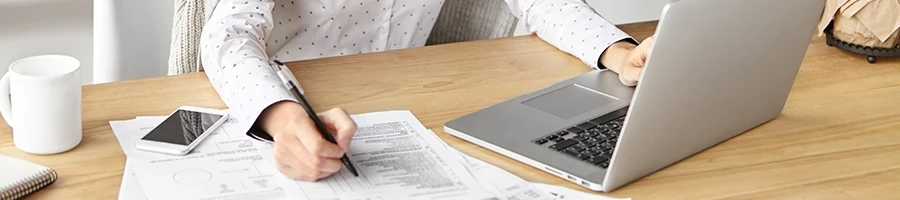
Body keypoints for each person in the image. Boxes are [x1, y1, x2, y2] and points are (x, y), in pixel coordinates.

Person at [199, 0, 655, 181]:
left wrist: (616, 51)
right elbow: (228, 35)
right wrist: (281, 118)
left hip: (402, 104)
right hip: (281, 100)